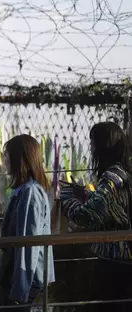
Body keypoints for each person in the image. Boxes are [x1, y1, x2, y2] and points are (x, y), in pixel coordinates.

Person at [60, 122, 132, 311]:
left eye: (92, 143)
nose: (90, 148)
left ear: (103, 146)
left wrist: (66, 197)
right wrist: (86, 195)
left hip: (115, 261)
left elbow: (87, 216)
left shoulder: (111, 177)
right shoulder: (124, 173)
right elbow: (115, 207)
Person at [0, 135, 55, 311]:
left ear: (19, 159)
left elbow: (29, 243)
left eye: (7, 155)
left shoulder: (30, 193)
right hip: (19, 275)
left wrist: (20, 289)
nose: (4, 160)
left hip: (25, 276)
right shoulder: (24, 190)